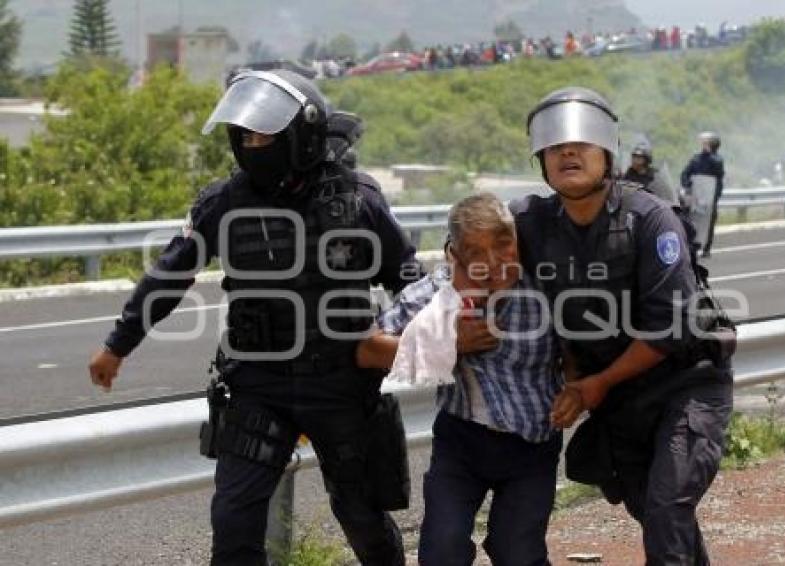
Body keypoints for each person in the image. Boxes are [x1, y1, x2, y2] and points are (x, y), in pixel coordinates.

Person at [88, 69, 418, 566]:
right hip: (257, 383)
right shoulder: (224, 201)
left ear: (301, 132)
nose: (251, 143)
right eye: (244, 134)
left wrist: (415, 342)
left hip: (342, 382)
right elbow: (170, 274)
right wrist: (118, 345)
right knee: (235, 521)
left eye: (263, 133)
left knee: (362, 517)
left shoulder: (357, 197)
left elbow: (408, 279)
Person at [512, 86, 733, 565]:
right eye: (553, 145)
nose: (567, 151)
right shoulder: (529, 223)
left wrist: (596, 384)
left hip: (685, 384)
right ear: (541, 159)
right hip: (618, 398)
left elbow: (669, 327)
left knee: (667, 507)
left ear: (607, 152)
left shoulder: (651, 220)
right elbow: (470, 243)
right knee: (652, 513)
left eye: (581, 142)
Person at [357, 193, 564, 566]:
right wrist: (449, 343)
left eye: (503, 245)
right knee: (442, 551)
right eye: (476, 252)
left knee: (518, 552)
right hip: (462, 444)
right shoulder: (437, 295)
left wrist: (577, 388)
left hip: (533, 445)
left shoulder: (544, 286)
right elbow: (366, 349)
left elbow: (581, 345)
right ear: (455, 253)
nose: (493, 262)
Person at [680, 131, 724, 257]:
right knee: (693, 219)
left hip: (710, 197)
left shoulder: (717, 160)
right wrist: (687, 184)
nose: (703, 145)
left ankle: (706, 248)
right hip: (696, 195)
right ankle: (692, 244)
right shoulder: (696, 158)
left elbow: (718, 170)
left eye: (707, 143)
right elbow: (685, 173)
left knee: (709, 222)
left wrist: (709, 153)